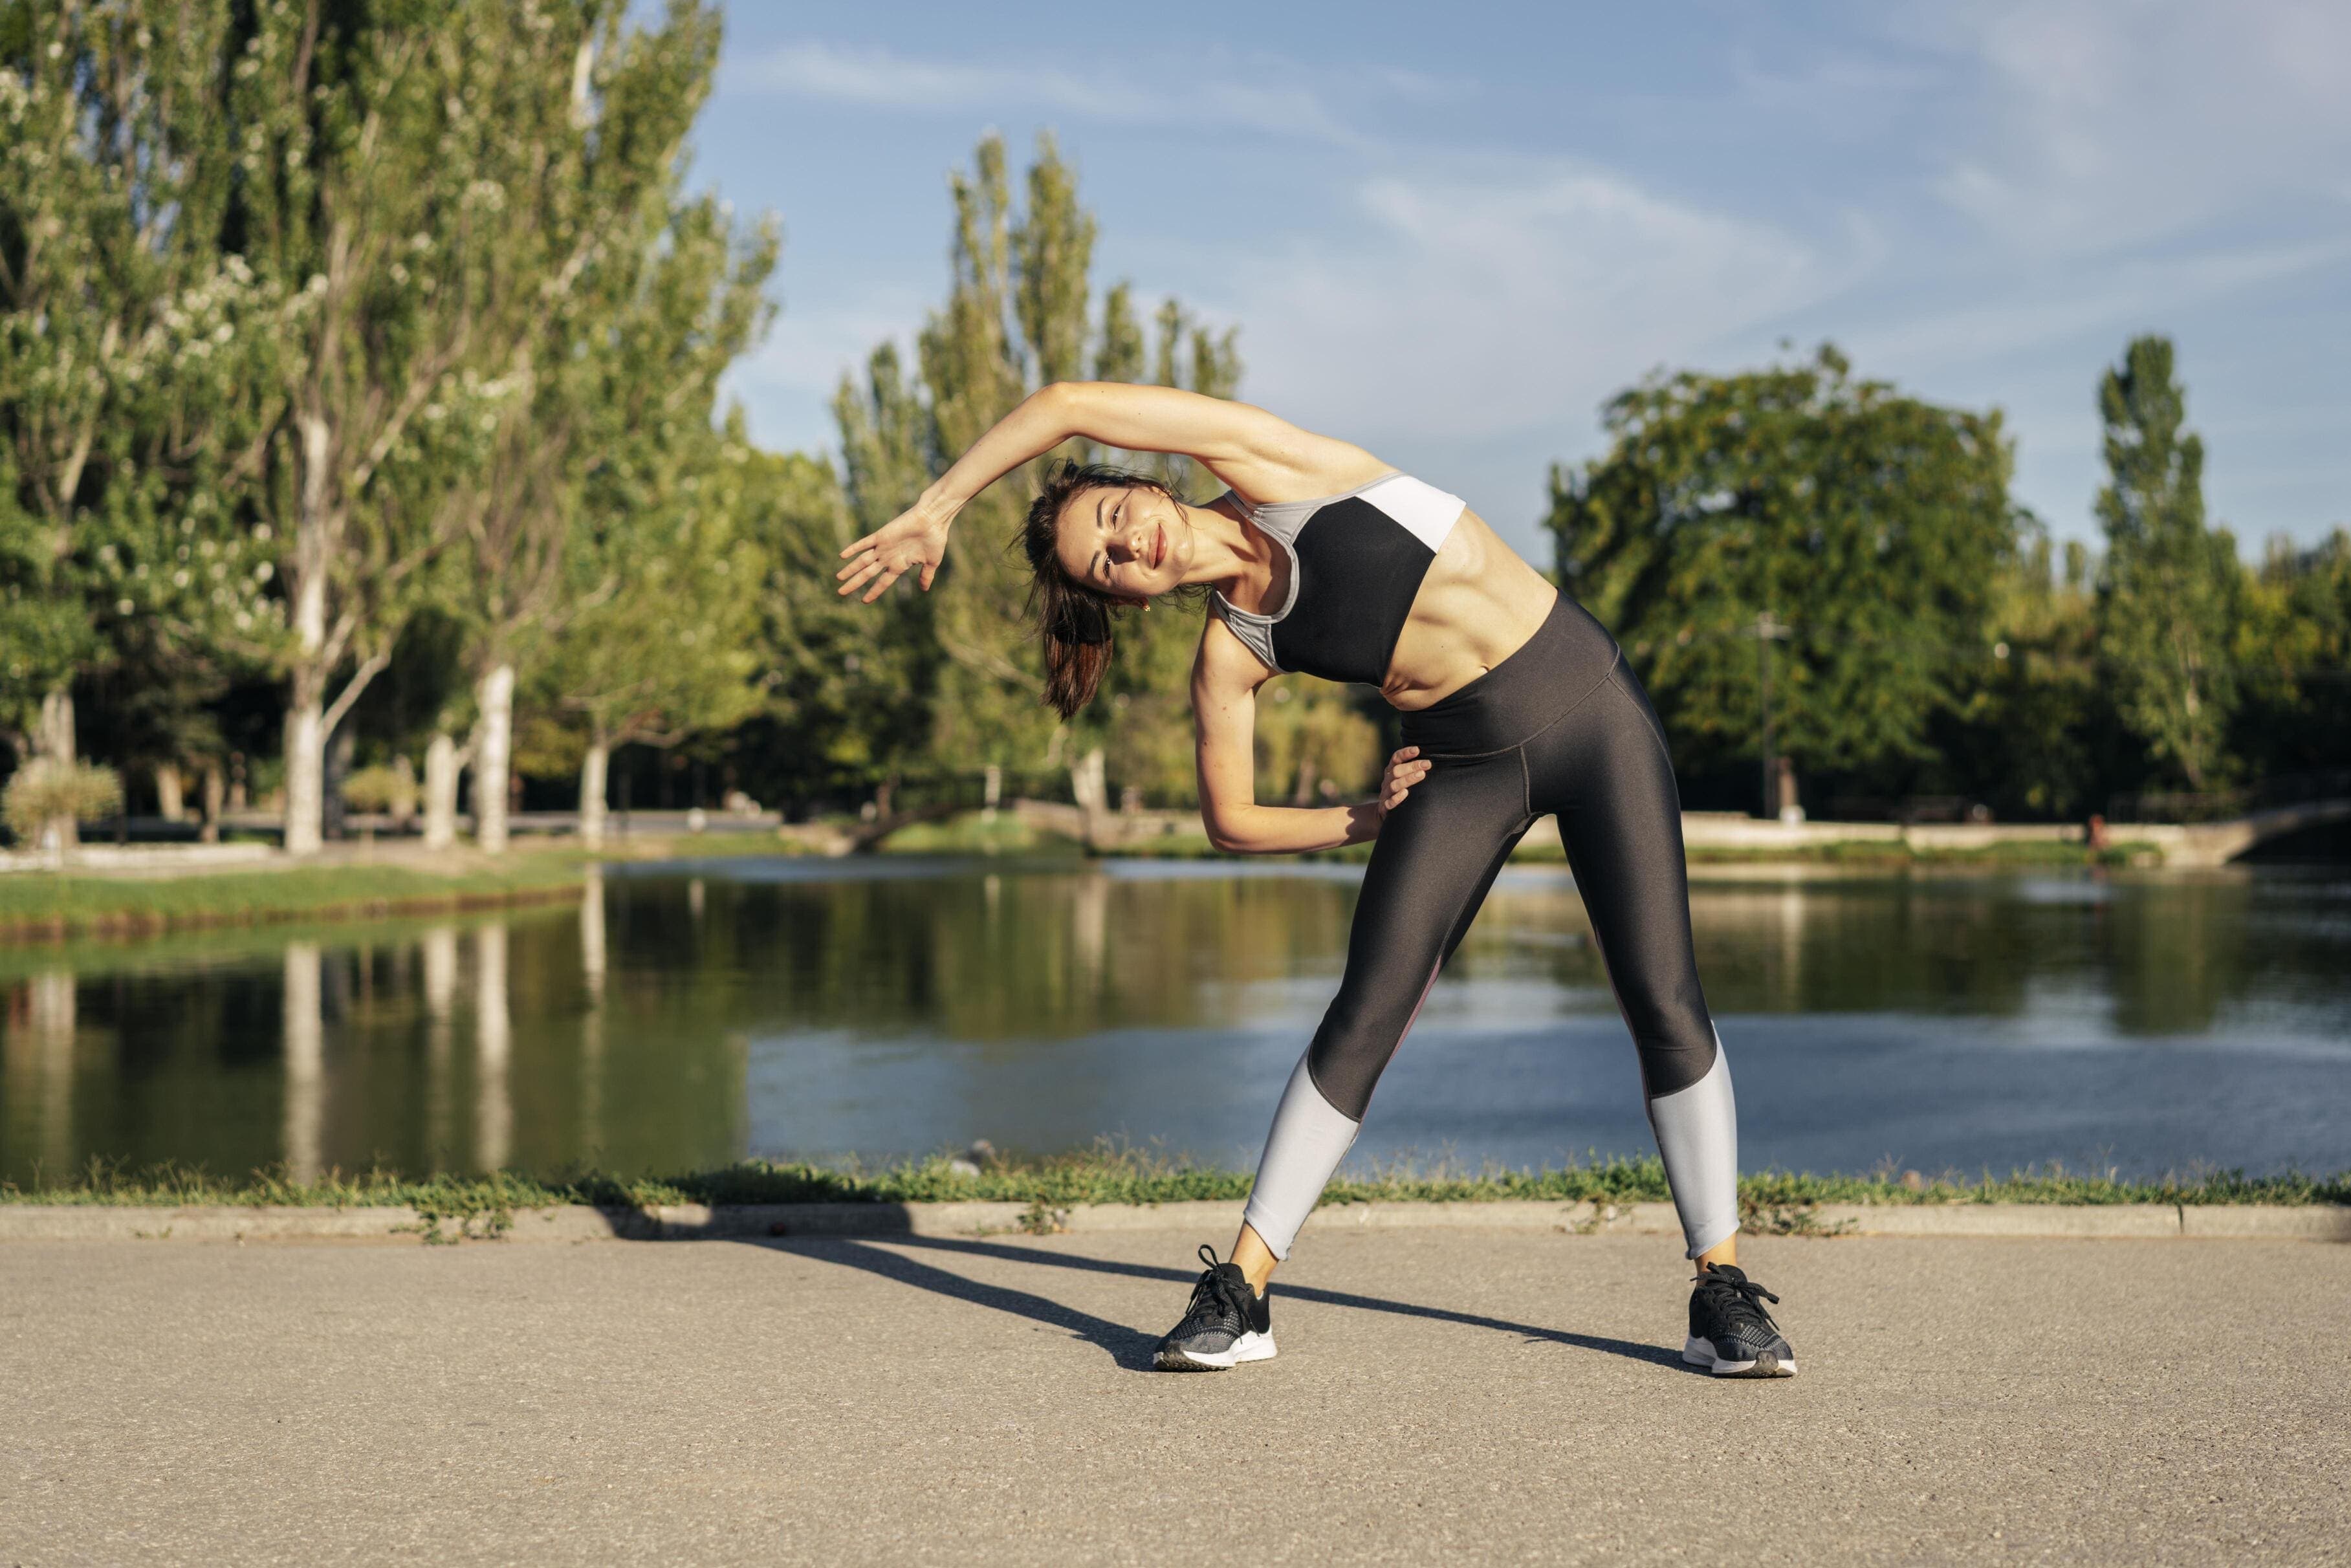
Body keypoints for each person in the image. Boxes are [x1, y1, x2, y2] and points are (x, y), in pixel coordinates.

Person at [835, 382, 1797, 1379]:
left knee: (1662, 995)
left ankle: (1717, 1288)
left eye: (1117, 519)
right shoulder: (1231, 652)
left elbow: (1067, 400)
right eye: (1106, 564)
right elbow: (1229, 822)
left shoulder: (1278, 470)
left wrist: (938, 505)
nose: (1127, 548)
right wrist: (1367, 819)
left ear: (1148, 485)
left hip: (1589, 711)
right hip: (1457, 768)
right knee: (1364, 1011)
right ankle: (1241, 1294)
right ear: (1121, 596)